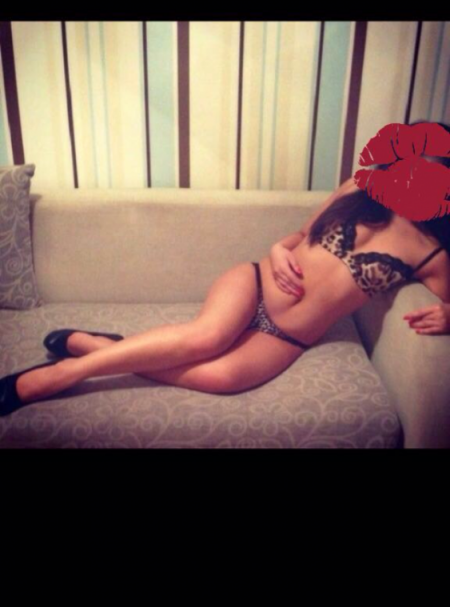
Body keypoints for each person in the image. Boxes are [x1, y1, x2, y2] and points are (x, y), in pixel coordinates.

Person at [1, 121, 450, 416]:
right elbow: (299, 235)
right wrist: (277, 249)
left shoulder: (431, 254)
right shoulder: (358, 187)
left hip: (286, 336)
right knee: (207, 338)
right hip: (256, 284)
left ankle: (97, 345)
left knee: (224, 379)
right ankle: (60, 375)